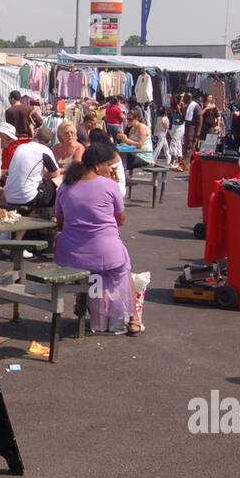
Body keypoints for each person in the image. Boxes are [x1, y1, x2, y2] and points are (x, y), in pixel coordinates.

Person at [54, 142, 141, 335]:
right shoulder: (110, 186)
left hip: (70, 255)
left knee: (94, 262)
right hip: (106, 254)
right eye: (109, 165)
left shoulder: (66, 185)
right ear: (97, 165)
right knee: (124, 267)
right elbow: (121, 220)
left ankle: (81, 300)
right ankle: (133, 319)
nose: (111, 169)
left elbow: (60, 220)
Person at [2, 127, 58, 211]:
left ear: (35, 135)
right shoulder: (45, 150)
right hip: (27, 198)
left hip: (9, 196)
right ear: (48, 142)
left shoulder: (20, 147)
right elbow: (55, 174)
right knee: (59, 179)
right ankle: (53, 215)